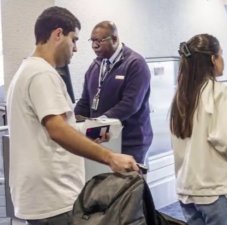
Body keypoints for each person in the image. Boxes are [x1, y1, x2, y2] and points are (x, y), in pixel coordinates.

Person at [6, 6, 139, 225]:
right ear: (58, 34)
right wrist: (110, 157)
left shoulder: (26, 71)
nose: (76, 48)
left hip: (42, 196)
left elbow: (52, 130)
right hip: (54, 197)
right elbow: (57, 130)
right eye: (74, 40)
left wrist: (86, 135)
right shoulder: (42, 74)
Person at [170, 34, 227, 225]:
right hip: (216, 190)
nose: (222, 60)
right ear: (212, 59)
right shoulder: (220, 92)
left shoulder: (181, 95)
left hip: (187, 189)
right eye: (221, 54)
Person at [74, 21, 153, 164]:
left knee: (128, 185)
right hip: (103, 139)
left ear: (115, 39)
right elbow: (85, 102)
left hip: (130, 142)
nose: (94, 46)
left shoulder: (135, 64)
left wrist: (99, 123)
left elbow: (130, 104)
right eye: (92, 41)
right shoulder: (96, 66)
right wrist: (71, 123)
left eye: (99, 41)